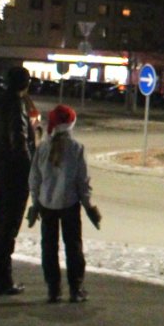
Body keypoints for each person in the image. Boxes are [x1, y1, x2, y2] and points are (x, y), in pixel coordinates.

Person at [27, 105, 100, 303]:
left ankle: (53, 290)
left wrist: (35, 203)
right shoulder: (77, 148)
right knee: (73, 246)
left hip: (46, 205)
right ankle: (76, 289)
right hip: (70, 204)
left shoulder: (42, 147)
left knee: (49, 247)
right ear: (70, 125)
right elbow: (82, 181)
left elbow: (34, 178)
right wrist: (89, 205)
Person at [0, 66, 36, 296]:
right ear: (23, 83)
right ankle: (2, 279)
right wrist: (28, 172)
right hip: (13, 173)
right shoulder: (14, 103)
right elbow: (18, 140)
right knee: (8, 226)